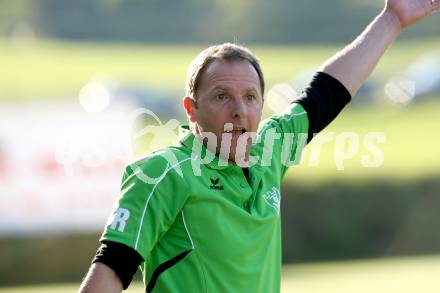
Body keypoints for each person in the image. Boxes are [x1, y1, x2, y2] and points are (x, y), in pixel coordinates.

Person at [79, 1, 440, 292]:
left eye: (250, 97)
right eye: (222, 96)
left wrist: (391, 19)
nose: (239, 110)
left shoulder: (269, 152)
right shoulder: (161, 174)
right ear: (192, 110)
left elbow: (325, 94)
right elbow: (109, 273)